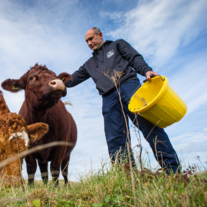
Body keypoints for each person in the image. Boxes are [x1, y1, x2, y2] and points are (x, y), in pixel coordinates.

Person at [65, 27, 180, 174]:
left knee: (150, 126)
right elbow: (71, 79)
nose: (89, 43)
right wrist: (52, 81)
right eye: (87, 41)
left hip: (129, 88)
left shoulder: (117, 45)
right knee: (115, 138)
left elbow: (134, 58)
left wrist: (146, 70)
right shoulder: (89, 64)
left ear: (100, 35)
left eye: (91, 38)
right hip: (108, 98)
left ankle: (173, 171)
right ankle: (127, 176)